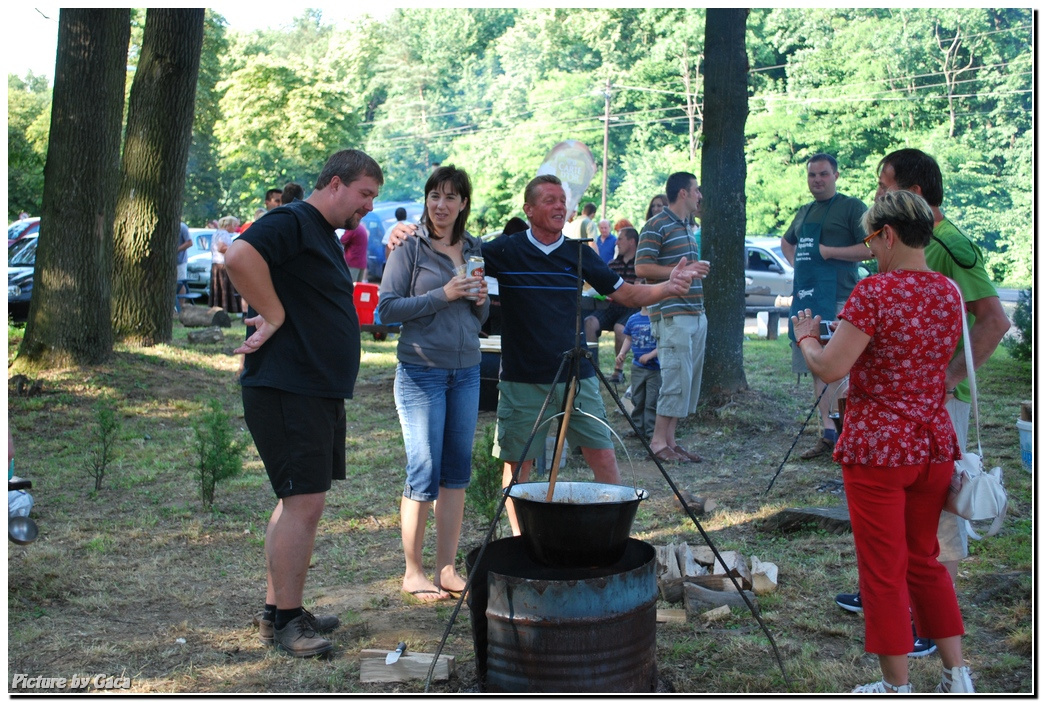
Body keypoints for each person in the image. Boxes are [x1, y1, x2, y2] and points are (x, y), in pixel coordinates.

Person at [387, 174, 707, 536]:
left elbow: (627, 295)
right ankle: (523, 541)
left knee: (602, 453)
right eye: (550, 200)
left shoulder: (580, 253)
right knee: (517, 465)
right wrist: (409, 233)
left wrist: (668, 286)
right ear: (529, 209)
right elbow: (450, 248)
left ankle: (615, 535)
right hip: (521, 378)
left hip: (577, 375)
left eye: (563, 201)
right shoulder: (503, 250)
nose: (560, 207)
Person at [791, 190, 974, 694]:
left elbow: (830, 366)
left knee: (883, 571)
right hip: (932, 447)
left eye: (871, 239)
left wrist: (807, 335)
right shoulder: (947, 293)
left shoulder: (876, 292)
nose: (869, 248)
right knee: (925, 562)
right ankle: (958, 676)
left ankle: (896, 687)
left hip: (878, 452)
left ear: (888, 235)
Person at [833, 149, 1012, 646]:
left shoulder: (948, 244)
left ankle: (918, 624)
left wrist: (944, 378)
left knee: (933, 534)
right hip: (906, 407)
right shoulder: (916, 247)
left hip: (928, 406)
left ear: (911, 195)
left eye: (883, 188)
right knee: (910, 534)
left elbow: (994, 320)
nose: (875, 197)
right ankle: (901, 609)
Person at [225, 148, 383, 658]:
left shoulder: (320, 233)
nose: (368, 207)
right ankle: (290, 624)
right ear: (335, 184)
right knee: (304, 504)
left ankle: (277, 612)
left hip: (311, 388)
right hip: (288, 387)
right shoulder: (294, 219)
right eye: (364, 194)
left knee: (295, 501)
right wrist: (271, 314)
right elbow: (238, 255)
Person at [377, 165, 488, 603]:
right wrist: (443, 294)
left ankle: (446, 569)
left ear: (463, 203)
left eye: (449, 197)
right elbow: (386, 309)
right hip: (421, 371)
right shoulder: (409, 247)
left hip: (467, 371)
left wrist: (479, 301)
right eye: (433, 196)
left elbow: (479, 317)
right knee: (423, 471)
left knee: (456, 472)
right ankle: (413, 571)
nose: (440, 205)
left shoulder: (476, 249)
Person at [780, 153, 870, 459]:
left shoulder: (851, 207)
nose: (816, 180)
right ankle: (828, 433)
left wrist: (828, 253)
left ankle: (849, 431)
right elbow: (787, 242)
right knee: (816, 365)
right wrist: (800, 265)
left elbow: (870, 248)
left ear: (836, 175)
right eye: (811, 175)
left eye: (823, 174)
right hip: (808, 298)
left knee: (843, 367)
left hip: (840, 297)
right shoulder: (804, 212)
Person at [635, 172, 711, 464]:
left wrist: (691, 270)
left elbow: (682, 268)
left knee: (686, 380)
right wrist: (679, 272)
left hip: (694, 311)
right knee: (674, 380)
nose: (699, 196)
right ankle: (657, 443)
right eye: (696, 191)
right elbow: (642, 268)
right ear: (683, 193)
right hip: (671, 313)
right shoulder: (656, 225)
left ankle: (670, 441)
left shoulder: (687, 226)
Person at [584, 226, 641, 383]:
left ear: (631, 242)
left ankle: (618, 372)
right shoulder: (612, 264)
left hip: (632, 308)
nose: (616, 242)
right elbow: (601, 287)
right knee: (589, 322)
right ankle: (592, 371)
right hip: (612, 306)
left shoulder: (641, 266)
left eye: (620, 238)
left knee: (620, 328)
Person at [616, 305, 659, 440]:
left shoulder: (658, 318)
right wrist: (622, 353)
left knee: (652, 401)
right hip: (638, 368)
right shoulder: (633, 319)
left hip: (655, 369)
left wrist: (651, 355)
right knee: (637, 398)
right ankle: (638, 428)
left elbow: (664, 343)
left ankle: (651, 432)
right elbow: (628, 338)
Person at [211, 216, 242, 313]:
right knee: (225, 286)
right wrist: (234, 250)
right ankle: (227, 307)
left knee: (217, 287)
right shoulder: (224, 234)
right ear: (228, 225)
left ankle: (218, 306)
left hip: (215, 263)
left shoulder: (216, 233)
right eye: (234, 226)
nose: (235, 228)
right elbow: (221, 248)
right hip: (222, 263)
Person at [175, 222, 192, 313]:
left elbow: (189, 242)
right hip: (169, 261)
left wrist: (176, 250)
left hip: (180, 260)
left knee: (180, 282)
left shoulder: (182, 227)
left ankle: (180, 307)